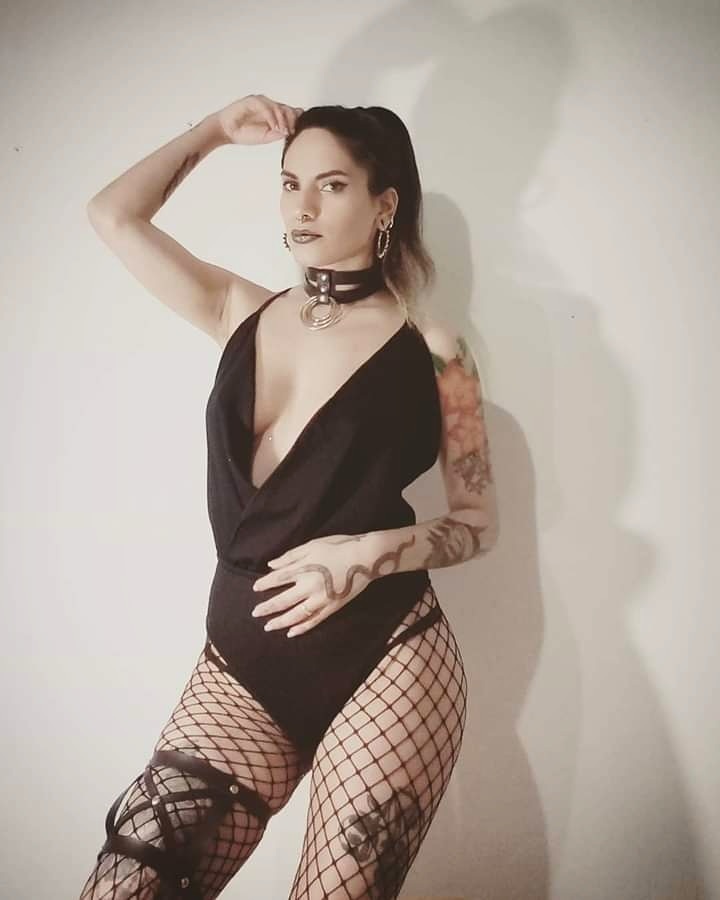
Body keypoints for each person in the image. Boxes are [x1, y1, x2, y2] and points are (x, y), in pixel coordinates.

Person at [80, 94, 499, 900]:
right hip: (241, 666)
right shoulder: (239, 311)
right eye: (289, 182)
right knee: (120, 886)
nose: (301, 206)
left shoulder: (435, 349)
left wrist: (370, 551)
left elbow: (479, 523)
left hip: (389, 658)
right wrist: (212, 131)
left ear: (385, 204)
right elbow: (113, 216)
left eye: (331, 185)